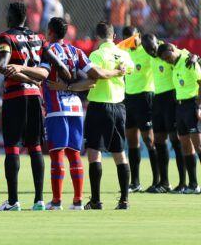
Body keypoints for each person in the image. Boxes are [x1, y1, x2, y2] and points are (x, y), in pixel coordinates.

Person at [0, 2, 68, 211]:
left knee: (12, 148)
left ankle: (13, 201)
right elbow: (59, 64)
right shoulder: (39, 38)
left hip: (15, 97)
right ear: (25, 18)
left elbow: (1, 65)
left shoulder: (6, 37)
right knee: (35, 148)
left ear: (10, 18)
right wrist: (67, 79)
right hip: (35, 97)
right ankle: (39, 200)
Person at [42, 18, 120, 210]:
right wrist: (117, 72)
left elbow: (41, 74)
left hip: (56, 108)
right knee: (74, 155)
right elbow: (94, 78)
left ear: (51, 32)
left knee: (57, 154)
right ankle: (77, 201)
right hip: (76, 108)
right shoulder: (75, 52)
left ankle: (57, 201)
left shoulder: (46, 52)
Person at [65, 22, 133, 210]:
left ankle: (96, 200)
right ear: (114, 36)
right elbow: (132, 68)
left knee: (94, 153)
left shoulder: (97, 54)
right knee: (120, 153)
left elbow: (94, 76)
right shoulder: (124, 54)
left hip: (100, 106)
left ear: (97, 37)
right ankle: (124, 200)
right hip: (119, 107)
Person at [157, 43, 201, 194]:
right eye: (164, 59)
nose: (167, 61)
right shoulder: (174, 66)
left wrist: (199, 106)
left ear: (173, 50)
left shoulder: (189, 62)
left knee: (198, 145)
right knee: (186, 146)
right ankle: (193, 184)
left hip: (192, 105)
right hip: (180, 107)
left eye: (168, 57)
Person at [121, 28, 160, 193]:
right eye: (127, 39)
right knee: (131, 142)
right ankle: (135, 182)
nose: (131, 41)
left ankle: (158, 180)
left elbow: (164, 47)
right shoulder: (123, 51)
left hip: (145, 98)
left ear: (138, 36)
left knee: (149, 140)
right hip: (129, 99)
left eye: (133, 37)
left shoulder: (147, 50)